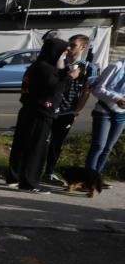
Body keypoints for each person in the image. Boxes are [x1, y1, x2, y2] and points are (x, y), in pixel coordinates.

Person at [5, 37, 80, 193]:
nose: (65, 55)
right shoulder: (44, 69)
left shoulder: (38, 66)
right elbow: (57, 87)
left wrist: (64, 70)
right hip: (41, 113)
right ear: (55, 52)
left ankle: (15, 177)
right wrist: (70, 76)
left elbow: (54, 79)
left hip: (30, 110)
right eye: (63, 52)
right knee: (36, 149)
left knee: (22, 145)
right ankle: (29, 183)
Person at [44, 35, 95, 184]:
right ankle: (31, 169)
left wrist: (76, 110)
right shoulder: (59, 62)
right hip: (51, 108)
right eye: (68, 44)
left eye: (73, 45)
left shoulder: (88, 67)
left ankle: (49, 172)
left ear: (82, 47)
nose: (69, 48)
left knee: (56, 143)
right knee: (42, 140)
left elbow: (86, 91)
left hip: (67, 111)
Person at [86, 56, 125, 178]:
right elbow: (97, 89)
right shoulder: (116, 66)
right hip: (104, 111)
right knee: (98, 146)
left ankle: (96, 179)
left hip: (122, 114)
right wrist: (116, 98)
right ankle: (88, 179)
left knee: (108, 148)